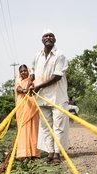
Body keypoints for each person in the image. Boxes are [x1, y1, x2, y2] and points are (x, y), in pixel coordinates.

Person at [28, 28, 69, 165]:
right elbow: (32, 70)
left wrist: (38, 86)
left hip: (57, 96)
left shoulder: (60, 55)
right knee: (46, 126)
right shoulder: (37, 55)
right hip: (41, 97)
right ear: (42, 39)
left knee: (58, 126)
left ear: (55, 39)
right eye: (46, 36)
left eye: (51, 36)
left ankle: (57, 153)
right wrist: (30, 83)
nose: (48, 38)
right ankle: (50, 152)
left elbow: (57, 76)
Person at [14, 64, 40, 160]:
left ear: (28, 71)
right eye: (21, 71)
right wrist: (24, 90)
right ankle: (24, 153)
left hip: (32, 107)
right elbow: (18, 88)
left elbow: (35, 89)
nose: (23, 72)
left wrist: (31, 88)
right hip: (22, 107)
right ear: (19, 73)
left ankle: (34, 153)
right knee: (23, 129)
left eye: (25, 70)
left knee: (33, 129)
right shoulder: (18, 81)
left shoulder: (33, 80)